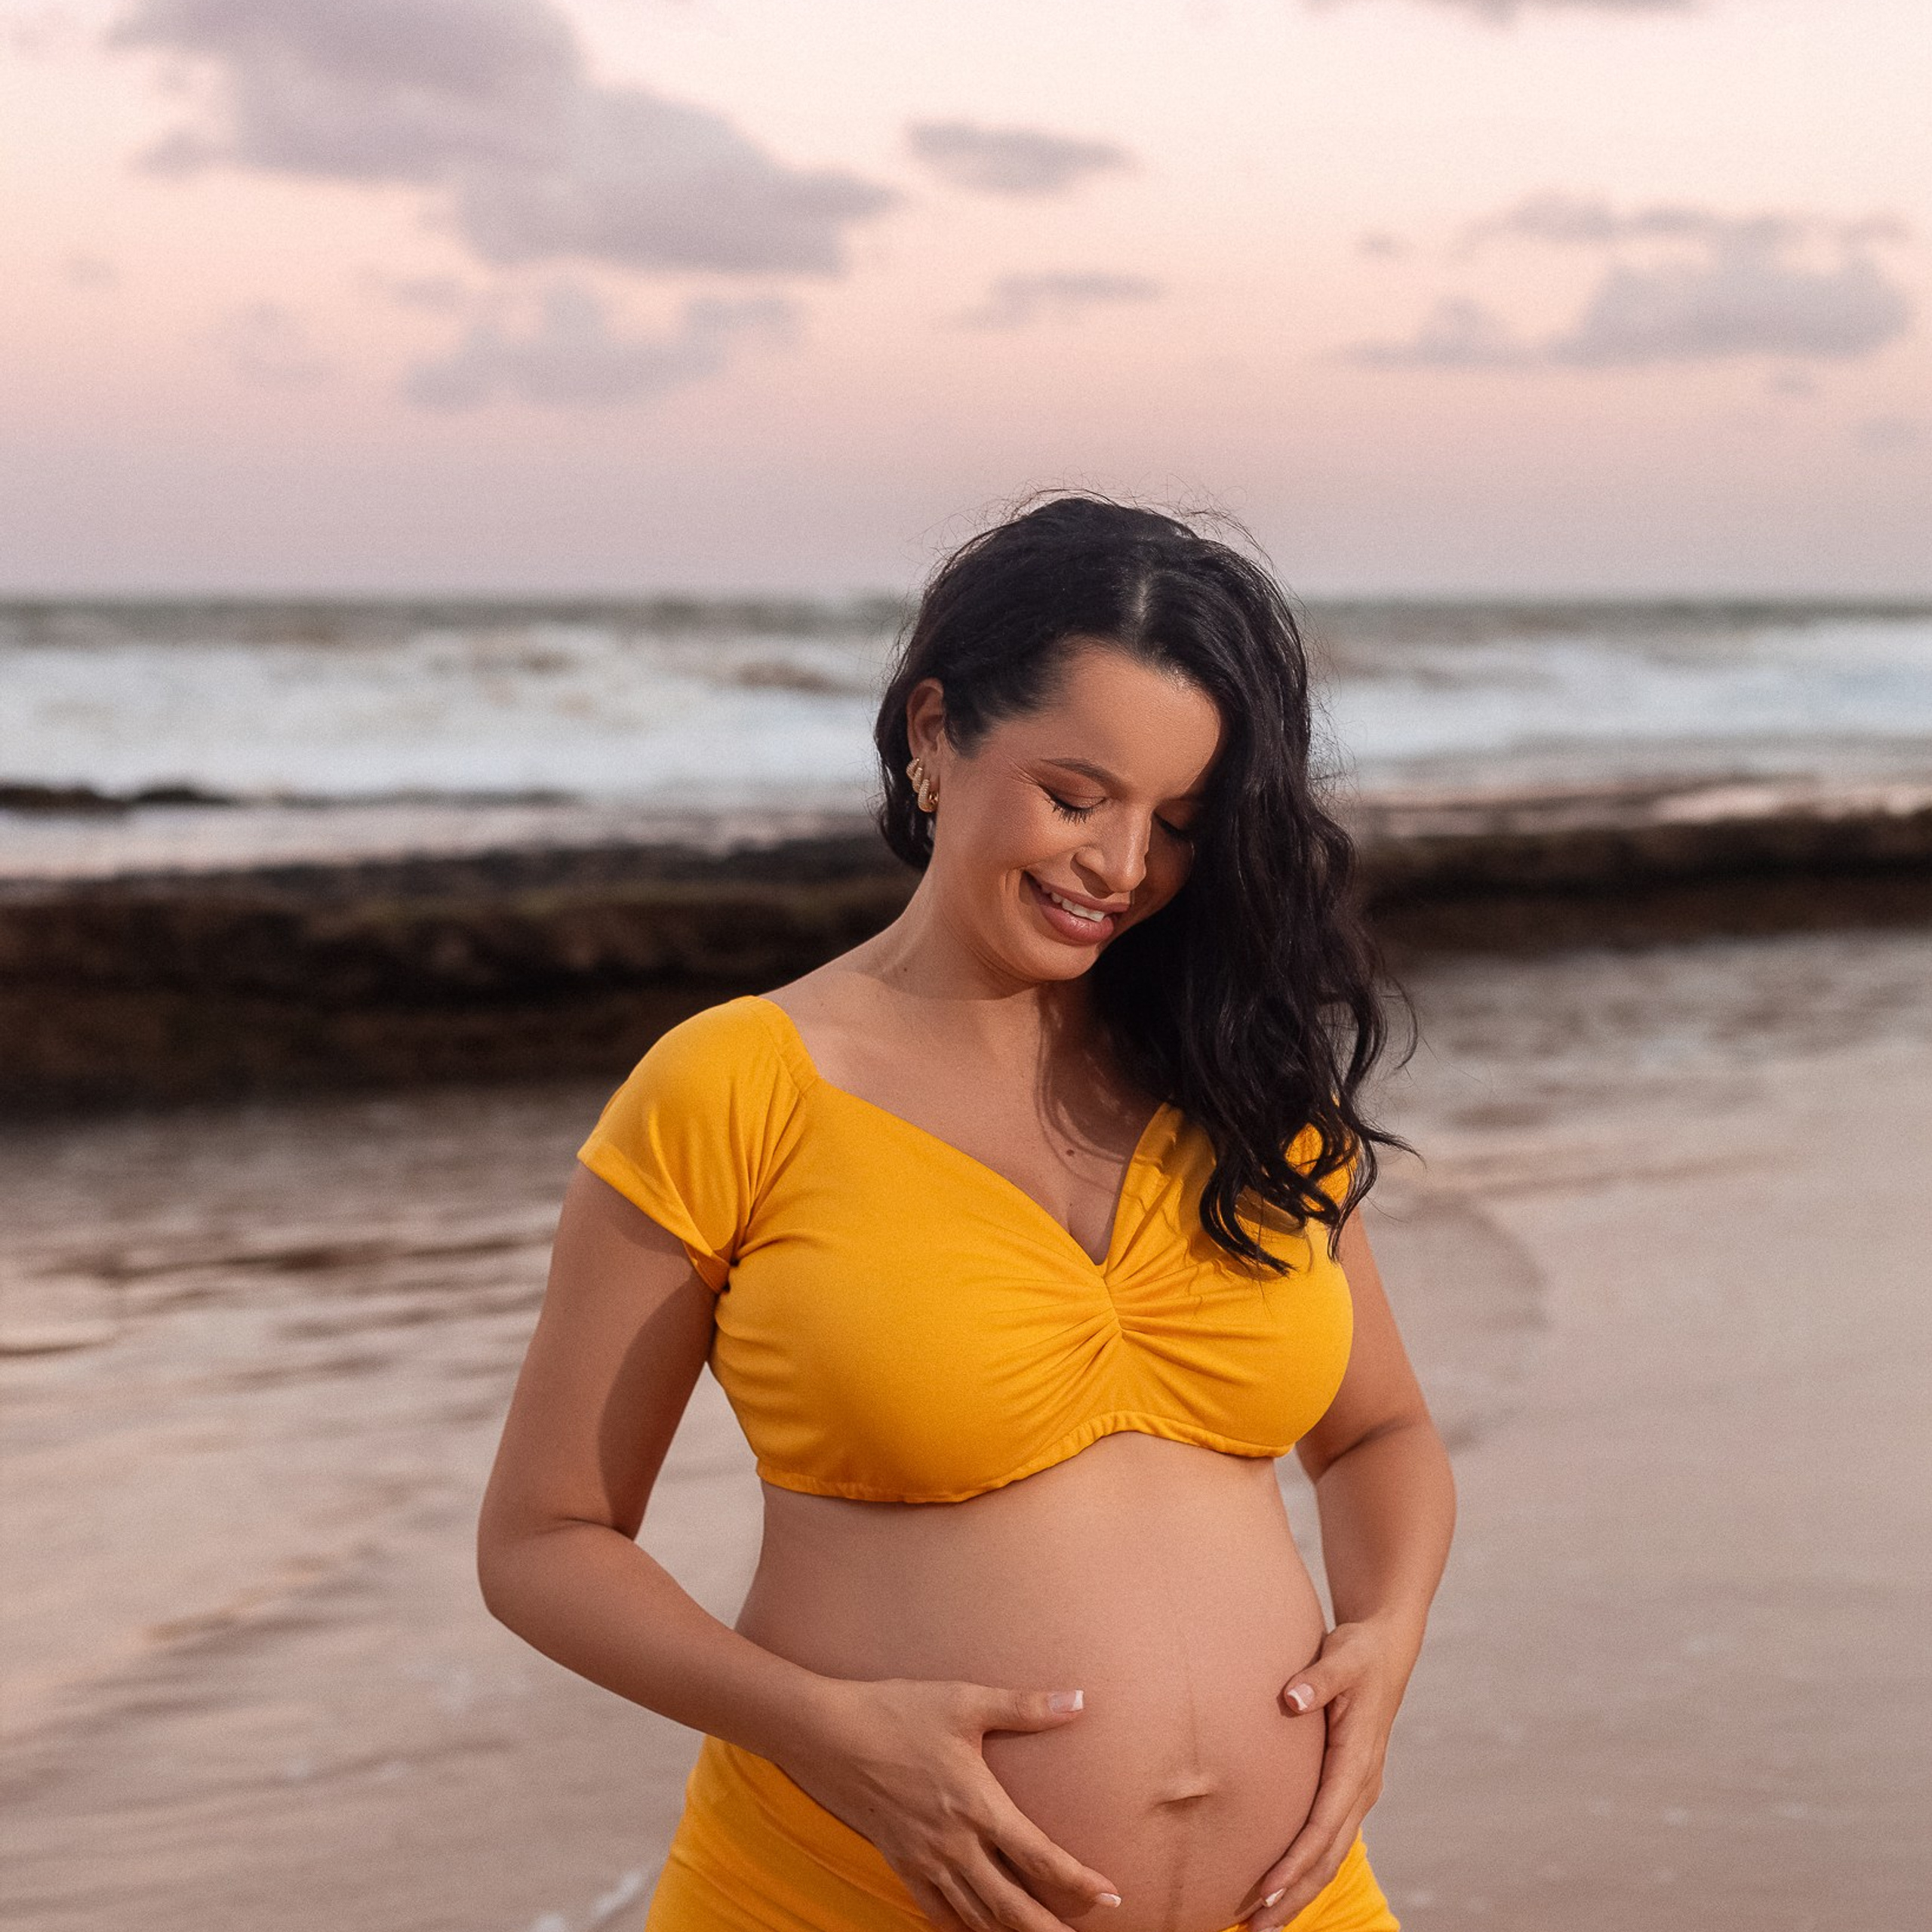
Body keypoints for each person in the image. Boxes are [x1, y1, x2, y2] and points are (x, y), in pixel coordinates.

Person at [476, 497, 1456, 1932]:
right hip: (845, 1895)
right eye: (1077, 796)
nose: (1121, 868)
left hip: (1297, 1906)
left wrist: (1388, 1639)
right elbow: (543, 1542)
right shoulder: (736, 1086)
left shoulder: (1239, 1076)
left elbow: (1378, 1434)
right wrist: (827, 1731)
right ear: (935, 734)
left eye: (1178, 824)